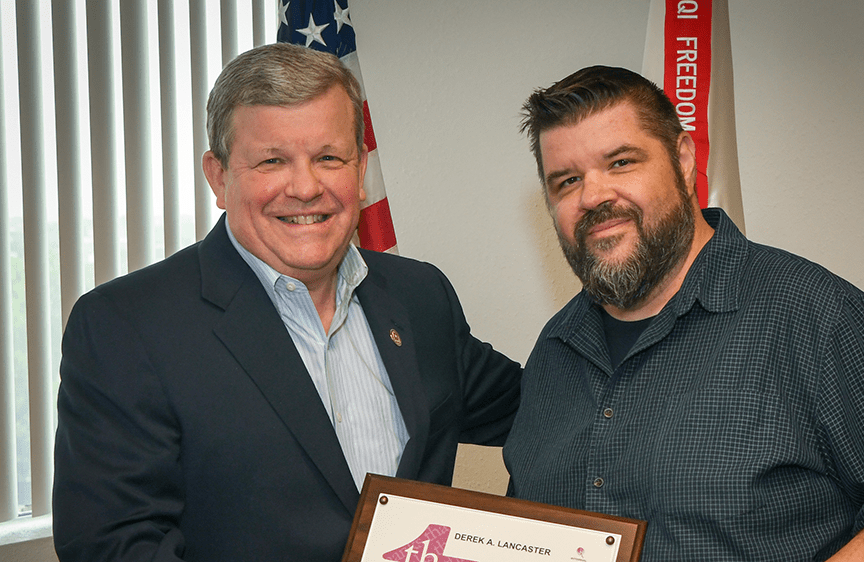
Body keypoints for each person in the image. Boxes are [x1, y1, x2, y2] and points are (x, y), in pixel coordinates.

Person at [52, 43, 521, 562]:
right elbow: (112, 547)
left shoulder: (420, 296)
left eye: (328, 158)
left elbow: (544, 406)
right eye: (273, 161)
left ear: (360, 169)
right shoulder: (126, 325)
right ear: (219, 177)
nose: (305, 187)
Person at [503, 65, 864, 561]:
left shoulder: (818, 317)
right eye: (567, 181)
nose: (594, 196)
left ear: (683, 160)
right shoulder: (555, 349)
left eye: (622, 162)